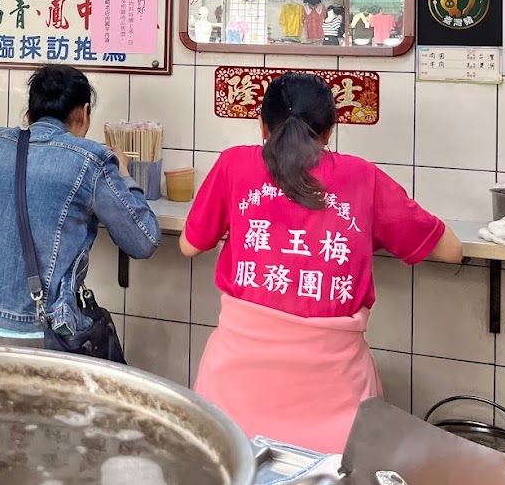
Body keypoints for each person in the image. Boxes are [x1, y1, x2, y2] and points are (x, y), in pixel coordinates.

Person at [180, 71, 462, 453]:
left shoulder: (234, 164)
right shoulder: (362, 177)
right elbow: (451, 250)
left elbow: (190, 245)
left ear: (262, 125)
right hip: (337, 408)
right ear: (330, 131)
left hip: (232, 400)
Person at [0, 65, 160, 344]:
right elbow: (143, 240)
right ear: (84, 113)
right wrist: (124, 173)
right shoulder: (90, 159)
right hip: (29, 332)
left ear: (29, 115)